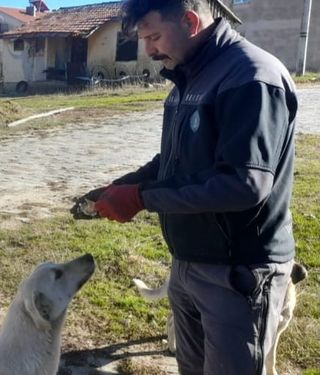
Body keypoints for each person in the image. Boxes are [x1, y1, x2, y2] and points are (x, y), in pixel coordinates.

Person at [70, 1, 299, 374]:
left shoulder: (250, 77)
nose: (148, 50)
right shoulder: (187, 77)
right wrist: (124, 185)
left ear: (191, 22)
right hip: (188, 263)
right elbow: (173, 163)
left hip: (237, 274)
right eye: (143, 39)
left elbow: (245, 183)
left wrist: (141, 198)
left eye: (154, 36)